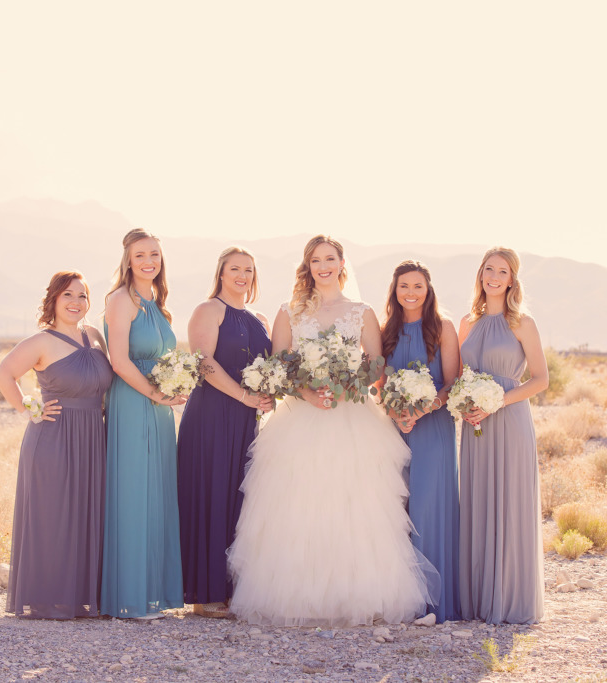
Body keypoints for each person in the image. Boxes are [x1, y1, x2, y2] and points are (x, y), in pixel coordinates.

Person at [228, 235, 435, 627]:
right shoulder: (290, 311)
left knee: (354, 503)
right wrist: (307, 391)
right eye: (316, 260)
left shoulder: (362, 312)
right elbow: (279, 365)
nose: (323, 266)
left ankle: (356, 596)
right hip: (300, 417)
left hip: (351, 417)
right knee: (299, 502)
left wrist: (347, 389)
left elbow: (375, 364)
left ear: (342, 263)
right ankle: (296, 597)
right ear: (307, 267)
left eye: (330, 259)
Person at [0, 271, 113, 619]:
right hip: (54, 437)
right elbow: (3, 374)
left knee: (86, 514)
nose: (76, 303)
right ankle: (47, 597)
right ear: (54, 300)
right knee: (54, 515)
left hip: (93, 437)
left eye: (82, 296)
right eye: (68, 296)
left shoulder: (93, 337)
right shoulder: (41, 342)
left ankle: (79, 596)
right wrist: (29, 408)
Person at [177, 247, 273, 618]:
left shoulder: (259, 318)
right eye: (235, 269)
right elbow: (204, 364)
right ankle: (204, 593)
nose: (242, 276)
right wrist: (245, 396)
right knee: (210, 494)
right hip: (212, 415)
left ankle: (231, 588)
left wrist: (265, 397)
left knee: (238, 499)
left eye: (249, 270)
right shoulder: (208, 310)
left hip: (247, 419)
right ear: (220, 272)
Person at [457, 247, 547, 625]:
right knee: (478, 501)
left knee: (508, 502)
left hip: (509, 421)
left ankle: (510, 599)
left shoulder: (522, 323)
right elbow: (461, 374)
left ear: (512, 279)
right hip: (475, 423)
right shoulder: (466, 322)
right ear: (481, 275)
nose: (494, 276)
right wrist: (464, 403)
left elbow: (541, 380)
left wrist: (500, 402)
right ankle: (478, 600)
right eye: (489, 269)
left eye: (503, 271)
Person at [101, 228, 186, 619]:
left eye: (154, 254)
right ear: (128, 261)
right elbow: (119, 361)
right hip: (134, 403)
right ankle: (129, 597)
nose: (148, 261)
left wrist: (176, 385)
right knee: (135, 493)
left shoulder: (158, 303)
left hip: (160, 406)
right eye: (140, 256)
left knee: (158, 493)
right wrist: (156, 394)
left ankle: (155, 592)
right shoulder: (120, 300)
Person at [379, 260, 461, 623]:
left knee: (428, 505)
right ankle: (404, 599)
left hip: (434, 427)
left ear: (428, 291)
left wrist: (426, 408)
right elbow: (378, 384)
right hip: (395, 428)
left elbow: (452, 381)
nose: (410, 293)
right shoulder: (386, 331)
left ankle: (436, 603)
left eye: (418, 286)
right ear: (394, 292)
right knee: (399, 508)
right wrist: (397, 413)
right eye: (404, 287)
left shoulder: (442, 328)